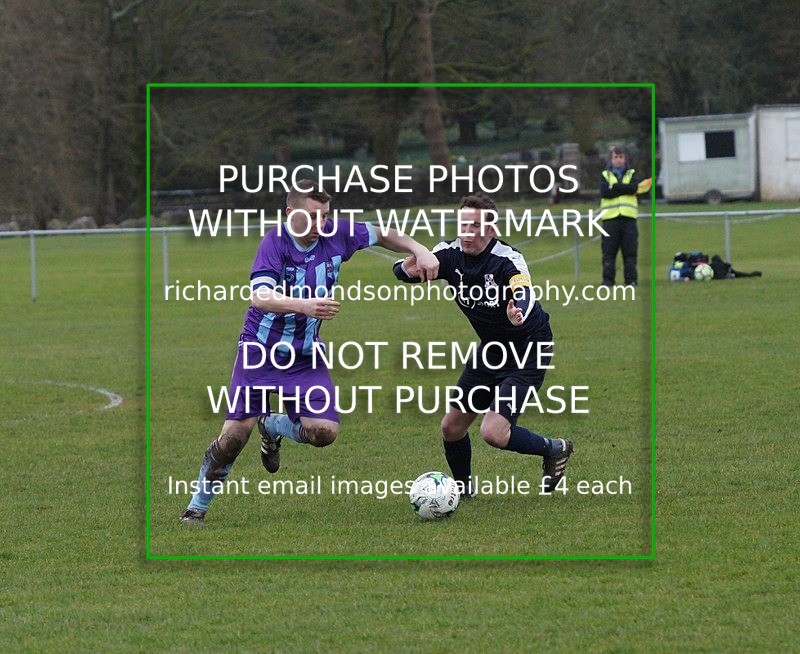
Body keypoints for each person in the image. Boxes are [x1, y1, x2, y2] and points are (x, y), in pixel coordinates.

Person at [180, 180, 439, 524]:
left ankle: (271, 426)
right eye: (314, 216)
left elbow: (385, 234)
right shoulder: (275, 242)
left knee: (324, 433)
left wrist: (420, 249)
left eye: (326, 216)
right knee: (232, 438)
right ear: (291, 213)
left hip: (305, 355)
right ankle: (197, 506)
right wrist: (304, 305)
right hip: (260, 349)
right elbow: (259, 296)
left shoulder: (336, 233)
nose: (321, 224)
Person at [393, 193, 573, 498]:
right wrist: (405, 268)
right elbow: (405, 271)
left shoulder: (507, 259)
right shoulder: (448, 254)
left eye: (475, 226)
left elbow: (523, 290)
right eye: (463, 224)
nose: (467, 232)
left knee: (493, 432)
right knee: (451, 427)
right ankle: (463, 492)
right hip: (492, 349)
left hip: (529, 349)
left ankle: (554, 449)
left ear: (492, 229)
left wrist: (519, 309)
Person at [599, 146, 651, 286]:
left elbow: (634, 188)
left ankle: (631, 281)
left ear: (625, 158)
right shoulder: (605, 174)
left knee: (630, 253)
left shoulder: (632, 173)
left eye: (620, 157)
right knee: (609, 253)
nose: (618, 160)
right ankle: (608, 281)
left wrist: (615, 187)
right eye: (615, 157)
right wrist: (625, 189)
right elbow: (605, 192)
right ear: (611, 159)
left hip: (628, 219)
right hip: (610, 220)